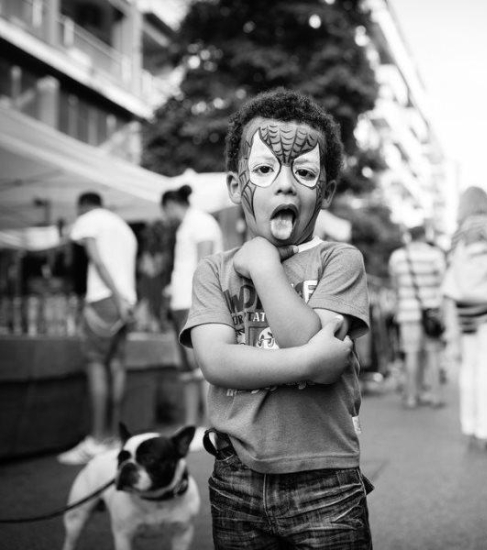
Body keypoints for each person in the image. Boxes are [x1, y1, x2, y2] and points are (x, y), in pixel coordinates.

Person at [180, 88, 373, 548]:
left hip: (325, 480)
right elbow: (217, 363)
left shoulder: (340, 261)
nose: (284, 184)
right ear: (235, 186)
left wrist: (265, 267)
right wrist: (311, 364)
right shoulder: (213, 270)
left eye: (303, 172)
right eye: (264, 169)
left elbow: (302, 335)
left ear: (324, 192)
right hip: (235, 479)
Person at [58, 192, 138, 465]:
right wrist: (123, 301)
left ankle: (97, 440)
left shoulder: (88, 220)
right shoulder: (123, 227)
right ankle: (115, 438)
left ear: (82, 206)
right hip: (128, 300)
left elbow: (97, 260)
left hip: (106, 299)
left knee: (96, 364)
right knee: (116, 365)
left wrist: (114, 297)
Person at [444, 186, 487, 451]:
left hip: (465, 307)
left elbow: (450, 267)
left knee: (470, 368)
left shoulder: (457, 233)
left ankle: (471, 427)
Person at [161, 185, 224, 439]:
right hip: (181, 301)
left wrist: (199, 301)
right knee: (187, 370)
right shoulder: (189, 224)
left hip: (193, 302)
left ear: (170, 205)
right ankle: (192, 427)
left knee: (201, 367)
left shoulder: (200, 222)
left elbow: (204, 263)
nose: (166, 217)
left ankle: (210, 427)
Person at [388, 225, 446, 409]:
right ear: (425, 235)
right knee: (433, 354)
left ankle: (412, 397)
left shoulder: (397, 256)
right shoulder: (435, 255)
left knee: (411, 354)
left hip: (407, 311)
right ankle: (435, 396)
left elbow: (395, 285)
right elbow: (442, 283)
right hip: (431, 312)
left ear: (409, 237)